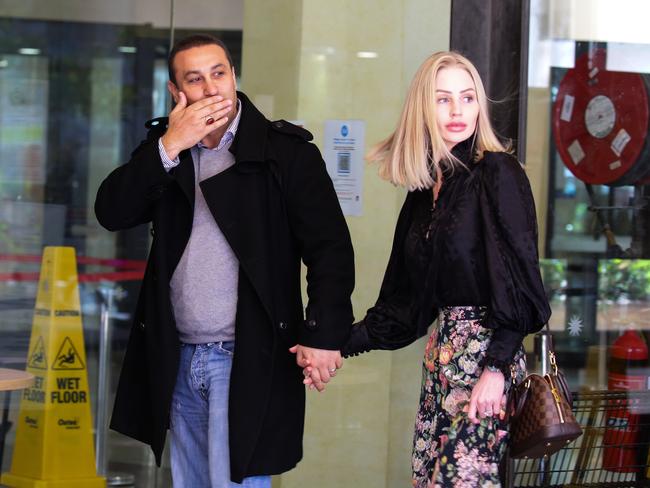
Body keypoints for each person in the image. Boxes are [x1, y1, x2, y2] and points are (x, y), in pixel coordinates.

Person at [95, 34, 354, 487]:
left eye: (219, 73)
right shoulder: (167, 151)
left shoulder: (285, 153)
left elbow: (330, 250)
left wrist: (325, 334)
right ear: (178, 93)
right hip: (179, 355)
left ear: (233, 76)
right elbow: (112, 211)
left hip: (246, 357)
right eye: (195, 79)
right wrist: (169, 146)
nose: (211, 88)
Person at [336, 51, 551, 487]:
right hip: (441, 361)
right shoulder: (425, 189)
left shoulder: (497, 172)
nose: (457, 111)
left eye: (468, 98)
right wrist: (334, 343)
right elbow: (405, 305)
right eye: (443, 99)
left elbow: (525, 287)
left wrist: (494, 371)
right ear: (423, 107)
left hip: (486, 362)